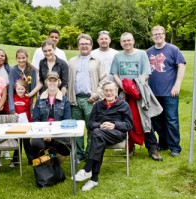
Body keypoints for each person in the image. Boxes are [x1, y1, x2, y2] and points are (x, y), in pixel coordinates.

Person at [110, 32, 162, 161]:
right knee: (125, 119)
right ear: (121, 43)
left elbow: (146, 74)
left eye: (129, 40)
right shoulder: (118, 56)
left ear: (133, 41)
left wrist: (135, 86)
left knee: (145, 119)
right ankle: (129, 147)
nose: (127, 43)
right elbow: (115, 74)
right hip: (124, 93)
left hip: (140, 92)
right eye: (124, 41)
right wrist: (123, 86)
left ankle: (152, 148)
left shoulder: (142, 54)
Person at [73, 81, 133, 191]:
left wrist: (114, 125)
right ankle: (93, 180)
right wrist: (100, 125)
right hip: (100, 135)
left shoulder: (124, 105)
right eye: (106, 90)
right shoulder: (97, 105)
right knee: (98, 137)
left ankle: (87, 169)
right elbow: (90, 124)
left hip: (117, 133)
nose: (109, 93)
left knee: (97, 135)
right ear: (103, 92)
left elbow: (129, 125)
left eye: (111, 90)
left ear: (116, 91)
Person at [146, 25, 186, 157]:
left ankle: (175, 147)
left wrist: (177, 85)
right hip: (153, 93)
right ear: (152, 37)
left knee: (172, 120)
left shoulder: (173, 49)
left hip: (170, 92)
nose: (158, 36)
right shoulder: (148, 52)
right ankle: (163, 143)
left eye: (160, 33)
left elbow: (181, 65)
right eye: (155, 34)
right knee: (157, 121)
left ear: (164, 34)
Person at [67, 33, 107, 162]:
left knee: (92, 128)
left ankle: (90, 154)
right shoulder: (72, 61)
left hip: (91, 99)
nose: (84, 46)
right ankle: (79, 154)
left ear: (91, 45)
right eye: (81, 44)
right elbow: (67, 81)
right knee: (76, 130)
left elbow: (104, 80)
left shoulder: (97, 61)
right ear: (78, 46)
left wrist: (96, 95)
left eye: (86, 43)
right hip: (75, 99)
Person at [31, 71, 71, 161]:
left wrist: (52, 136)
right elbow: (35, 120)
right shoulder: (39, 99)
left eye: (55, 80)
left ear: (59, 82)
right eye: (50, 80)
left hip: (58, 133)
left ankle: (54, 159)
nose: (52, 83)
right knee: (35, 143)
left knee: (65, 146)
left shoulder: (65, 100)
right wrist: (45, 133)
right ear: (46, 82)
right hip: (42, 132)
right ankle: (42, 166)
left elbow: (67, 121)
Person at [8, 48, 37, 164]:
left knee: (26, 136)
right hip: (17, 106)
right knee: (17, 135)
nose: (21, 60)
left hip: (27, 106)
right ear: (16, 58)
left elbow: (34, 88)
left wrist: (32, 108)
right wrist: (11, 108)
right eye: (19, 58)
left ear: (27, 57)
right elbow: (10, 89)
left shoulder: (32, 70)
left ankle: (31, 158)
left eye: (23, 58)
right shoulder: (13, 70)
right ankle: (16, 159)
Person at [10, 79, 32, 167]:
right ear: (15, 89)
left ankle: (31, 159)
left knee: (27, 143)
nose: (20, 91)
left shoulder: (27, 99)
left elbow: (29, 110)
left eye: (22, 89)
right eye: (18, 89)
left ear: (25, 89)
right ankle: (15, 160)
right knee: (17, 142)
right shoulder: (13, 98)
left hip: (26, 123)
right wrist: (13, 113)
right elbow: (9, 108)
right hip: (16, 124)